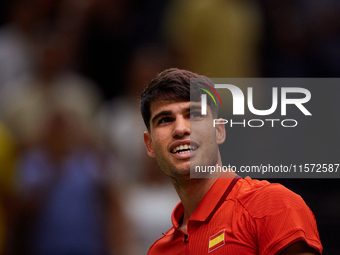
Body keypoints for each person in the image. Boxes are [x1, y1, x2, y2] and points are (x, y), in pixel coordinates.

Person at [140, 68, 323, 254]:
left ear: (219, 131)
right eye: (165, 119)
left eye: (194, 115)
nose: (180, 128)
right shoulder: (158, 251)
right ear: (150, 145)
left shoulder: (274, 205)